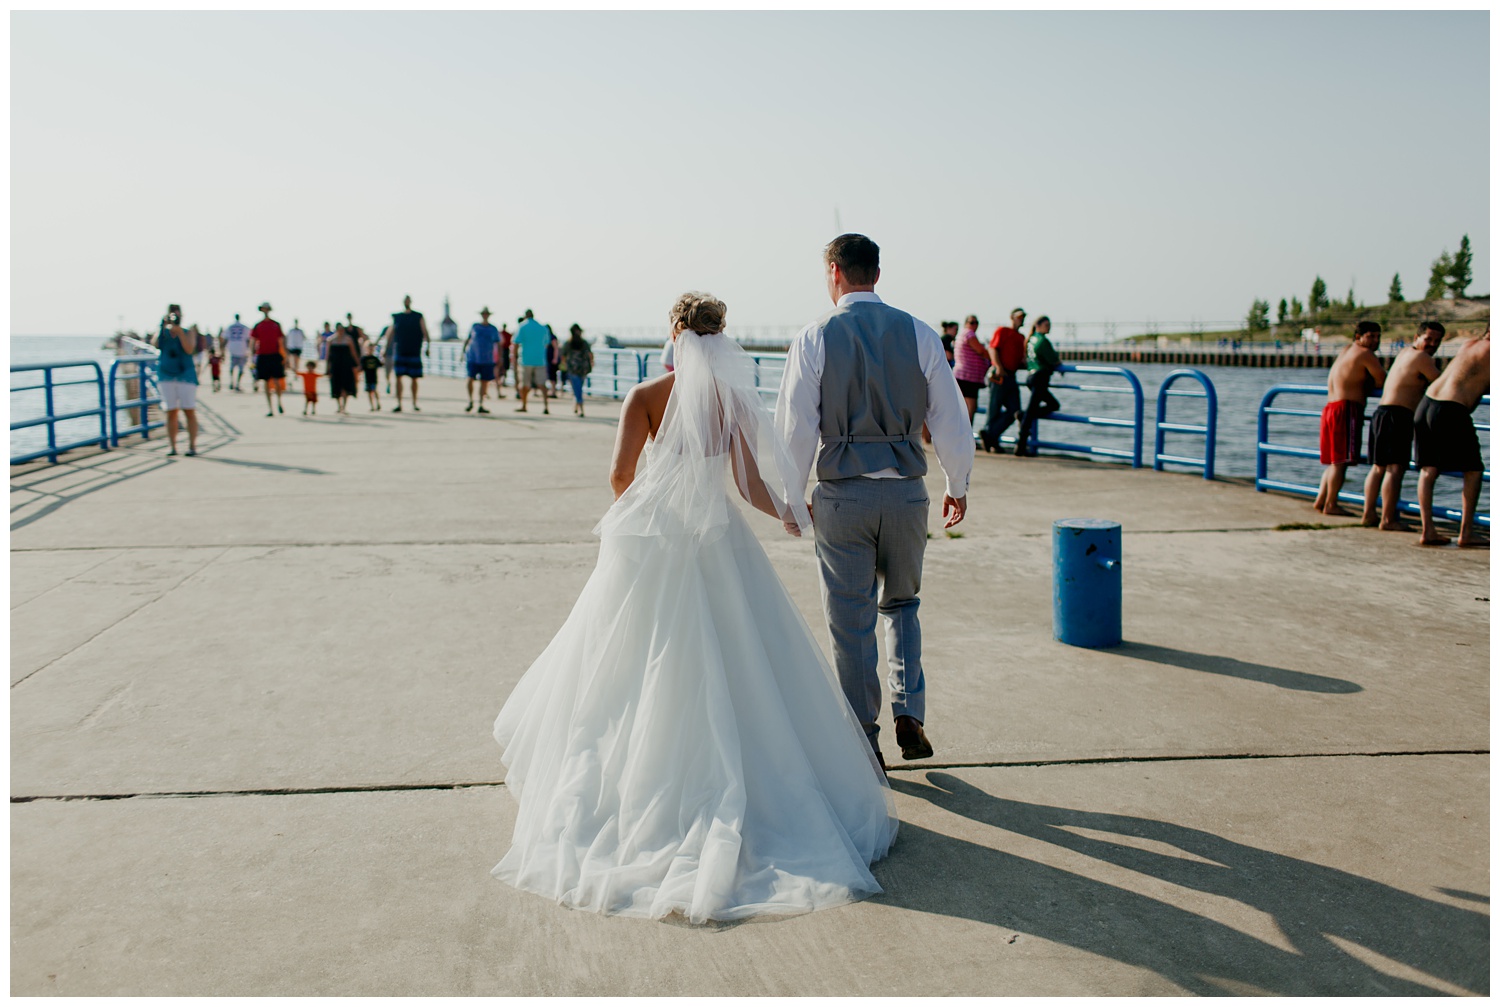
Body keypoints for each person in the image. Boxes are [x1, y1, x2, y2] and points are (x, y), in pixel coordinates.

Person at [492, 290, 896, 923]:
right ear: (719, 337)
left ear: (675, 333)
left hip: (659, 536)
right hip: (719, 538)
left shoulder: (646, 397)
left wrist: (646, 513)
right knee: (744, 660)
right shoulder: (730, 400)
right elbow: (747, 482)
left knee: (638, 663)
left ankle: (646, 790)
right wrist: (789, 512)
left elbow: (619, 476)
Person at [776, 233, 974, 770]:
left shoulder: (814, 336)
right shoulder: (918, 332)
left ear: (834, 272)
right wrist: (958, 484)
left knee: (851, 619)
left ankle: (865, 739)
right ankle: (909, 711)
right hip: (907, 493)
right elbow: (951, 419)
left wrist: (792, 501)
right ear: (877, 274)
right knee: (902, 603)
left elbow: (795, 428)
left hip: (844, 495)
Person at [1362, 322, 1444, 530]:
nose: (1432, 344)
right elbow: (1442, 383)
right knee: (1395, 469)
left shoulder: (1405, 353)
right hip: (1397, 416)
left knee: (1378, 467)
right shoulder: (1422, 358)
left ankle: (1369, 513)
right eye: (1428, 339)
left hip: (1381, 413)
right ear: (1417, 337)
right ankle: (1388, 519)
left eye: (1437, 341)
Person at [1414, 329, 1489, 547]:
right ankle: (1467, 533)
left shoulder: (1470, 344)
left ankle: (1428, 530)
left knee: (1428, 470)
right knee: (1474, 470)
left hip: (1427, 404)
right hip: (1450, 408)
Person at [1313, 321, 1385, 516]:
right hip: (1346, 409)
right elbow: (1381, 378)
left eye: (1378, 337)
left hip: (1330, 408)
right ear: (1358, 337)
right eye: (1371, 336)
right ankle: (1331, 504)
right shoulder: (1365, 354)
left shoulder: (1347, 350)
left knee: (1334, 460)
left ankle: (1321, 500)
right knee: (1341, 462)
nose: (1375, 341)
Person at [981, 308, 1027, 453]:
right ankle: (990, 437)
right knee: (994, 408)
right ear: (1012, 317)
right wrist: (999, 367)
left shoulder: (1020, 337)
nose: (1021, 319)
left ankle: (989, 434)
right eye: (1019, 316)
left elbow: (1020, 358)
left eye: (1023, 317)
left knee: (1015, 410)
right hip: (999, 375)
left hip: (1011, 376)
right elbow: (993, 349)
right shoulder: (1002, 331)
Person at [1014, 315, 1061, 457]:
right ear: (1038, 326)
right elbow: (1053, 359)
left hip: (1031, 377)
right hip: (1040, 377)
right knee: (1034, 410)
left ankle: (1022, 416)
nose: (1049, 327)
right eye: (1046, 325)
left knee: (1052, 405)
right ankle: (1021, 445)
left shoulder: (1031, 339)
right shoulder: (1042, 341)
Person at [156, 306, 200, 456]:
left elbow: (189, 349)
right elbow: (155, 344)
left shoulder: (188, 332)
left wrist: (180, 333)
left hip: (185, 375)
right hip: (166, 375)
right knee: (170, 412)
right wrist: (162, 326)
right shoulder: (163, 333)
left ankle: (192, 446)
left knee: (189, 410)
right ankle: (173, 446)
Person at [389, 295, 430, 412]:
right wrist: (385, 348)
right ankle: (399, 403)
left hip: (414, 350)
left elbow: (425, 331)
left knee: (414, 378)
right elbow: (391, 332)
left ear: (410, 302)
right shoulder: (397, 317)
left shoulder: (418, 316)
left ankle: (414, 402)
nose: (407, 302)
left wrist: (428, 346)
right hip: (400, 350)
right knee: (398, 377)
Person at [250, 302, 288, 416]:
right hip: (263, 355)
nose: (265, 311)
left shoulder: (276, 324)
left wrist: (285, 356)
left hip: (274, 355)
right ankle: (270, 408)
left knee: (277, 381)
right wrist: (252, 356)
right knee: (266, 382)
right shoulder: (258, 325)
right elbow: (253, 341)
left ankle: (279, 402)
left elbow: (281, 340)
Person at [512, 308, 551, 414]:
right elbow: (546, 343)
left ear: (525, 316)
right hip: (540, 359)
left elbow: (515, 343)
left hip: (525, 360)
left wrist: (513, 358)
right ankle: (546, 405)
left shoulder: (522, 326)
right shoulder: (542, 327)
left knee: (524, 384)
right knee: (542, 384)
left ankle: (524, 405)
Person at [462, 307, 501, 413]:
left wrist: (500, 358)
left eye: (486, 314)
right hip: (473, 357)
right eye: (483, 314)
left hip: (487, 359)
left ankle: (481, 403)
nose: (485, 315)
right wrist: (462, 353)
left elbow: (498, 343)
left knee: (485, 382)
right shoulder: (475, 326)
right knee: (470, 379)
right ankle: (470, 401)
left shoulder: (493, 328)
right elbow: (468, 339)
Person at [951, 314, 988, 422]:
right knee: (970, 407)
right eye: (972, 322)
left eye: (976, 323)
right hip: (968, 377)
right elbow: (980, 350)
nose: (975, 325)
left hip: (963, 376)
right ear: (966, 324)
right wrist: (994, 359)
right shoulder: (969, 334)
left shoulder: (961, 335)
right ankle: (965, 436)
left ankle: (959, 434)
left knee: (962, 408)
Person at [326, 322, 360, 414]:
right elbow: (328, 355)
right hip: (335, 365)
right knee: (336, 385)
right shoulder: (331, 340)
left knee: (345, 385)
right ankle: (339, 406)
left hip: (346, 365)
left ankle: (344, 406)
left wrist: (357, 363)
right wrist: (327, 368)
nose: (341, 331)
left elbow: (353, 352)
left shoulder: (348, 339)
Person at [563, 323, 594, 417]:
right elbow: (590, 354)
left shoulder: (568, 343)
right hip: (583, 368)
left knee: (577, 388)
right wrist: (591, 363)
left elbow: (563, 355)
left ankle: (579, 407)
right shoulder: (584, 343)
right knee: (578, 388)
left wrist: (565, 365)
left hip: (573, 368)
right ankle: (579, 407)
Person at [223, 313, 251, 391]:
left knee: (232, 367)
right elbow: (248, 339)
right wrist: (249, 350)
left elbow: (225, 338)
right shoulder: (245, 327)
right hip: (242, 348)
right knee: (241, 368)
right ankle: (237, 383)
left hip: (232, 348)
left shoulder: (230, 327)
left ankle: (232, 382)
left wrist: (222, 349)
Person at [360, 338, 383, 411]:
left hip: (374, 377)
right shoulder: (364, 358)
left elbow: (381, 365)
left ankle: (378, 403)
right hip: (367, 378)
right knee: (369, 392)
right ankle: (372, 406)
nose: (370, 349)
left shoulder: (375, 358)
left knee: (374, 390)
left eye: (372, 348)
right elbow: (361, 368)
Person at [496, 323, 514, 398]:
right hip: (505, 351)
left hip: (503, 351)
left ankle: (501, 382)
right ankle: (502, 381)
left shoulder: (500, 334)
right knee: (503, 368)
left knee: (502, 368)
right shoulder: (507, 334)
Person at [545, 324, 561, 396]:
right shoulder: (547, 337)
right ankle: (552, 390)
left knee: (552, 376)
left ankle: (553, 391)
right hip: (547, 359)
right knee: (549, 375)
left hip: (552, 360)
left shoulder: (552, 337)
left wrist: (555, 358)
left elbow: (556, 348)